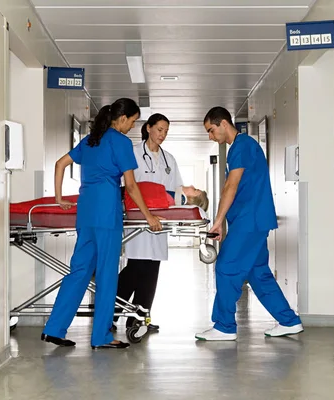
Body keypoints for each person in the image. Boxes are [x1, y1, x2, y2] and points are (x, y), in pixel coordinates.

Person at [40, 98, 163, 350]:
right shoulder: (121, 142)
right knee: (107, 275)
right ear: (123, 117)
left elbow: (60, 164)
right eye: (132, 120)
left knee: (79, 271)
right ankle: (102, 337)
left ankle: (54, 328)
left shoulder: (90, 140)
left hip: (86, 212)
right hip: (107, 212)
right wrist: (148, 215)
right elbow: (130, 185)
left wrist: (59, 197)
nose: (132, 125)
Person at [195, 106, 303, 341]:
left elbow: (230, 187)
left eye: (211, 130)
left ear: (223, 123)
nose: (210, 136)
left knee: (225, 267)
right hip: (249, 220)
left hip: (250, 221)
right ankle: (289, 321)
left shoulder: (243, 146)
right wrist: (224, 222)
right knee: (258, 273)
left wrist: (217, 222)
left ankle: (224, 326)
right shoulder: (240, 147)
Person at [113, 113, 184, 332]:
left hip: (160, 221)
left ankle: (139, 321)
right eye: (160, 129)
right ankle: (110, 314)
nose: (163, 135)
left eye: (166, 131)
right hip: (138, 219)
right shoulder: (132, 152)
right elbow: (127, 186)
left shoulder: (169, 159)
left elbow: (176, 191)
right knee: (135, 268)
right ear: (148, 128)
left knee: (152, 268)